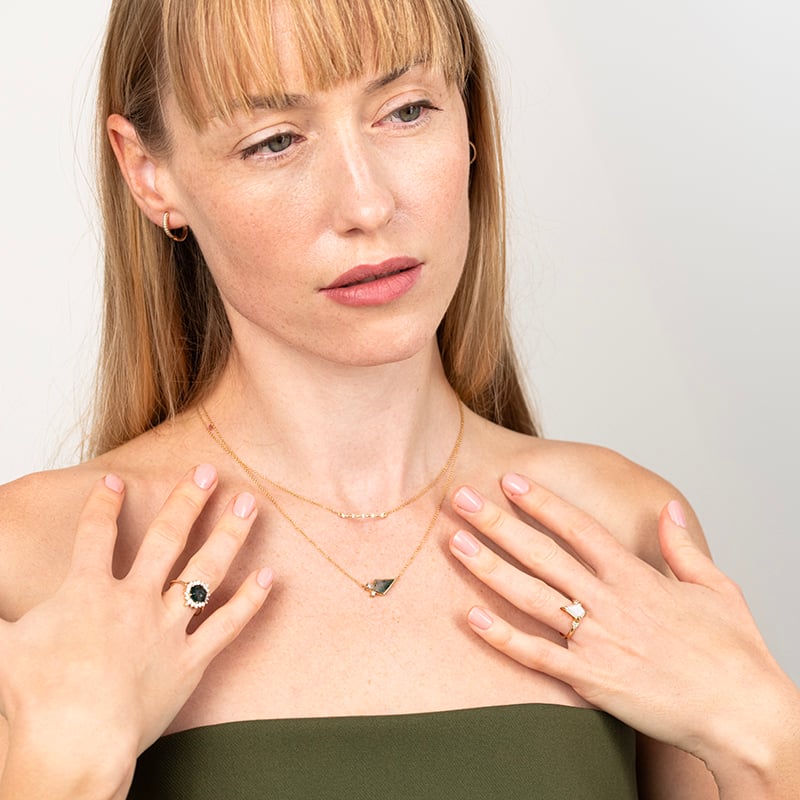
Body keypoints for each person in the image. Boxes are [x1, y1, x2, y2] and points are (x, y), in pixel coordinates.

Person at [0, 0, 797, 798]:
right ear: (149, 173)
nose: (368, 206)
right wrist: (56, 771)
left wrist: (767, 741)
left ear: (468, 119)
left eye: (406, 111)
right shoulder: (31, 565)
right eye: (274, 141)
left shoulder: (626, 532)